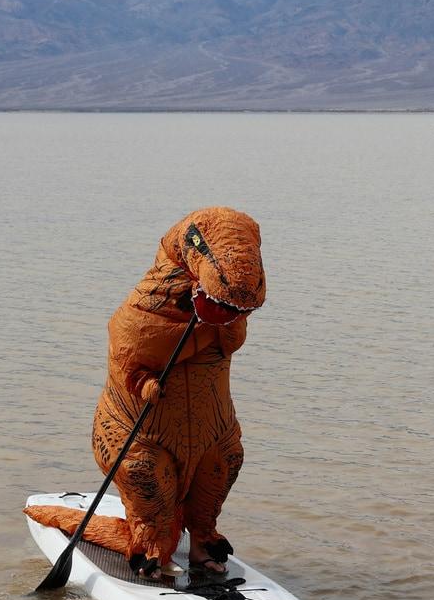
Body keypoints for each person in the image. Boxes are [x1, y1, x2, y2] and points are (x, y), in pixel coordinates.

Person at [24, 207, 267, 578]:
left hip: (212, 431)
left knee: (224, 465)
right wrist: (144, 382)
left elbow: (231, 342)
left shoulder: (226, 315)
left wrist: (220, 317)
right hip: (143, 433)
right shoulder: (145, 309)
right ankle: (150, 548)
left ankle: (203, 541)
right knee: (146, 481)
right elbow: (128, 353)